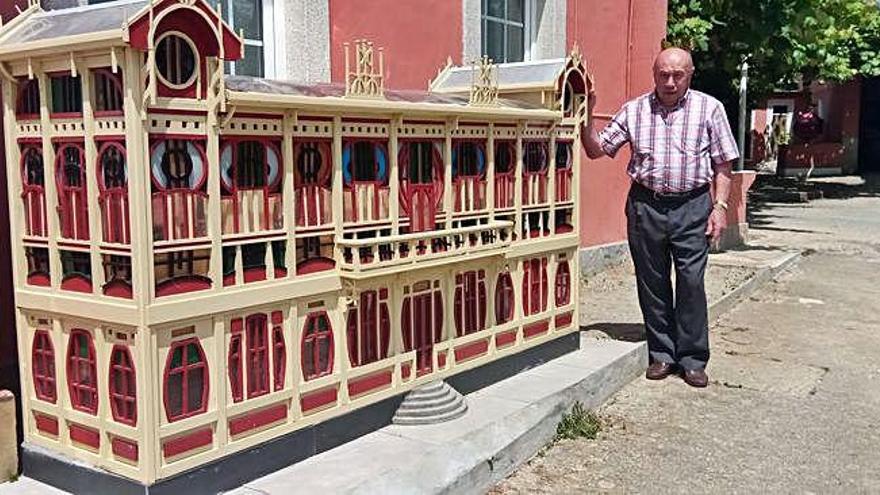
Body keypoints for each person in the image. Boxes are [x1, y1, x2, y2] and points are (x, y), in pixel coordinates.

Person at [581, 47, 739, 388]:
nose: (669, 82)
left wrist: (720, 207)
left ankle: (693, 358)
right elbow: (597, 149)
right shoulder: (634, 110)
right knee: (651, 283)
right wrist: (585, 113)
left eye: (677, 75)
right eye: (663, 75)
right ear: (654, 75)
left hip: (693, 206)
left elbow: (724, 163)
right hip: (646, 206)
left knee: (691, 283)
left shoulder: (710, 108)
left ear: (690, 74)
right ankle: (663, 354)